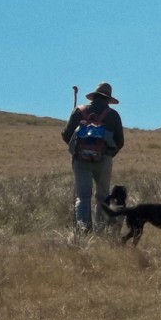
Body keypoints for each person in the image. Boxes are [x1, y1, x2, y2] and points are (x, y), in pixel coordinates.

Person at [61, 82, 125, 233]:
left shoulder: (79, 111)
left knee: (83, 196)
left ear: (94, 96)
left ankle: (84, 229)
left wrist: (77, 150)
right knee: (102, 196)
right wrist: (108, 155)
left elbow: (66, 135)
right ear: (108, 99)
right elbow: (120, 142)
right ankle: (101, 230)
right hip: (104, 160)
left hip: (80, 161)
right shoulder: (113, 115)